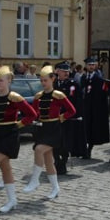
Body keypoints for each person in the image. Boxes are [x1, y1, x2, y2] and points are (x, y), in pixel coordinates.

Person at [0, 66, 37, 213]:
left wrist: (19, 124)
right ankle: (12, 200)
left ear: (9, 81)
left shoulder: (15, 98)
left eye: (1, 80)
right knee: (5, 168)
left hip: (9, 133)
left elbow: (32, 114)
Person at [23, 65, 76, 199]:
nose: (43, 83)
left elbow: (72, 110)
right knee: (48, 161)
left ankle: (35, 180)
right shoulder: (38, 96)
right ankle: (55, 188)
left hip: (54, 129)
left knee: (39, 150)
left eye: (45, 80)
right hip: (42, 129)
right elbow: (34, 113)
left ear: (53, 79)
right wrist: (28, 119)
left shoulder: (59, 95)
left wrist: (61, 118)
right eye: (41, 80)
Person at [79, 57, 110, 158]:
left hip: (94, 108)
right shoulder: (83, 78)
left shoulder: (99, 79)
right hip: (85, 107)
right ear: (86, 66)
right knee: (84, 128)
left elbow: (103, 94)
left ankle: (89, 149)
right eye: (89, 65)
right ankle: (83, 148)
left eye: (93, 65)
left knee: (92, 128)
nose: (91, 66)